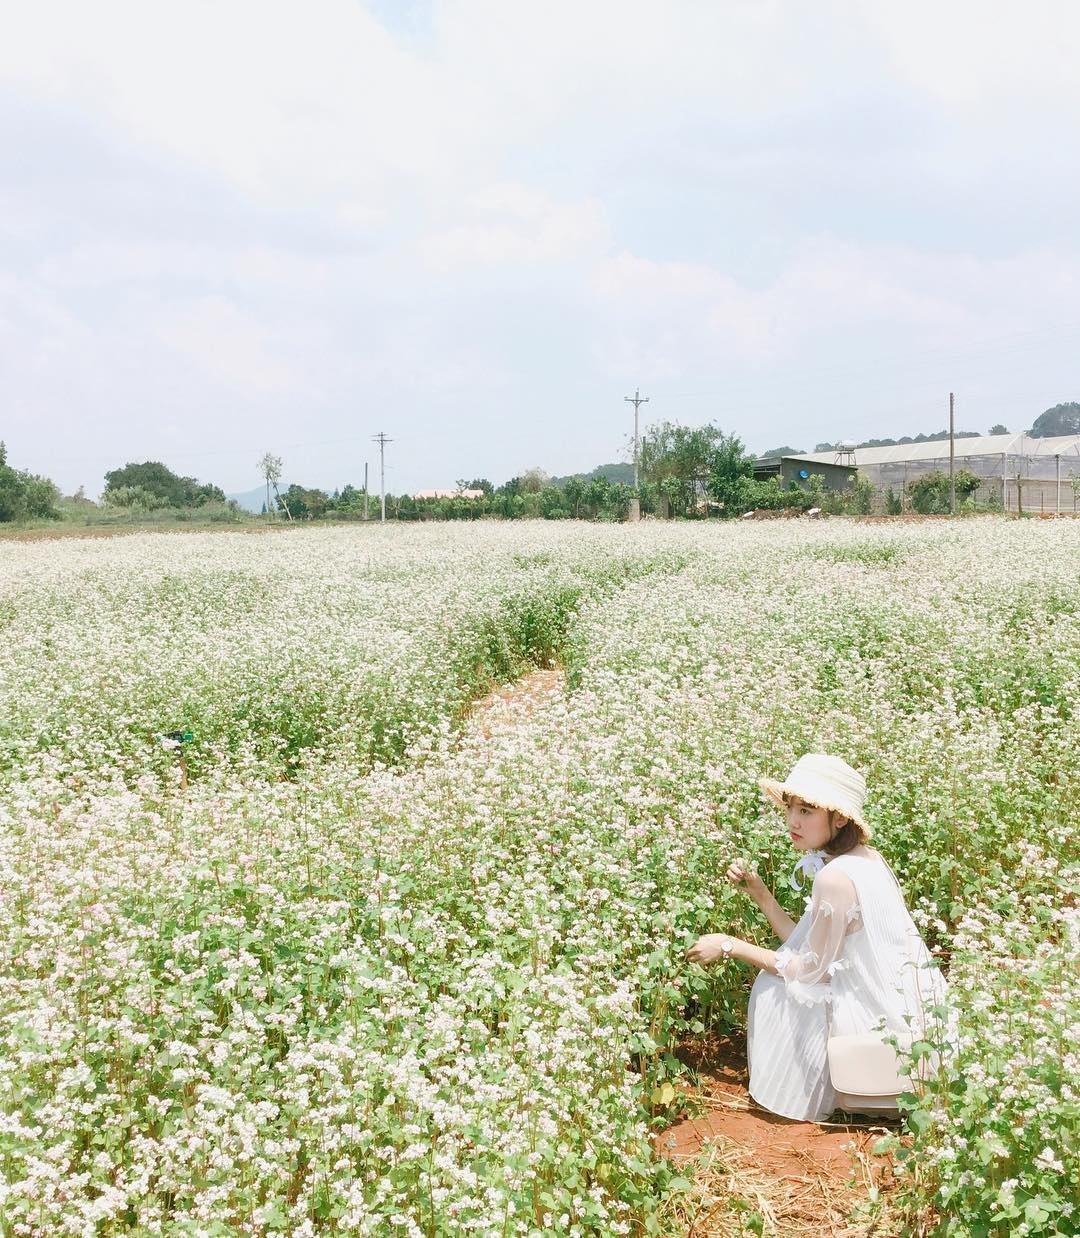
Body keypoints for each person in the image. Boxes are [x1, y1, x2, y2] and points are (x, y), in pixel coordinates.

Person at [686, 753, 946, 1122]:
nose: (793, 820)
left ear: (839, 818)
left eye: (807, 811)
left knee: (775, 987)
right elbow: (806, 943)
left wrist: (730, 945)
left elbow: (811, 971)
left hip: (878, 1034)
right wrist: (759, 892)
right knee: (781, 970)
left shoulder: (835, 877)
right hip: (908, 1016)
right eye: (791, 808)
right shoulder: (864, 858)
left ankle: (829, 1089)